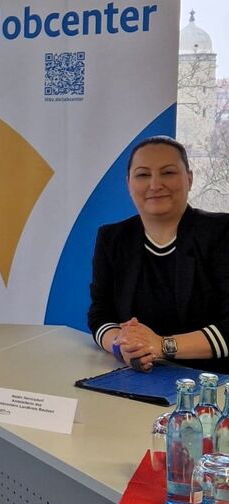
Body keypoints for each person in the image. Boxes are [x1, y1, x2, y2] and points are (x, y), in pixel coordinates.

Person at [88, 135, 229, 372]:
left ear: (190, 179)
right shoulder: (112, 238)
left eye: (168, 172)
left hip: (211, 383)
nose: (155, 185)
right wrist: (121, 345)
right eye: (143, 175)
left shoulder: (221, 233)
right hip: (135, 377)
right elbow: (100, 314)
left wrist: (163, 346)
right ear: (129, 184)